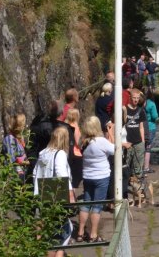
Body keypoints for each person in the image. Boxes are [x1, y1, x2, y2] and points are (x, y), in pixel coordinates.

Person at [32, 127, 75, 257]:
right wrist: (70, 195)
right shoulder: (60, 154)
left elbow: (34, 173)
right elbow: (62, 175)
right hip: (56, 197)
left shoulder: (43, 153)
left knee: (49, 234)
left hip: (42, 195)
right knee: (66, 230)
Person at [76, 116, 117, 244]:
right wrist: (111, 133)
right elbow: (115, 149)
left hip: (88, 177)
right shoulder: (101, 141)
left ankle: (80, 232)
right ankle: (93, 234)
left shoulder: (83, 142)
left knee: (86, 203)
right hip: (101, 177)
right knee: (97, 206)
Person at [124, 89, 146, 182]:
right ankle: (126, 181)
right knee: (126, 162)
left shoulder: (141, 111)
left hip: (138, 141)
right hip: (127, 141)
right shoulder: (124, 109)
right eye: (134, 98)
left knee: (138, 164)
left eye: (137, 98)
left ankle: (137, 182)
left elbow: (141, 127)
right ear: (130, 97)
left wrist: (143, 141)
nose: (136, 100)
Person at [2, 113, 28, 181]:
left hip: (22, 171)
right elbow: (11, 159)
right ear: (19, 125)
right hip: (15, 174)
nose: (25, 126)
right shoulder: (10, 139)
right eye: (23, 124)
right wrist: (26, 162)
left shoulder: (19, 138)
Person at [64, 108, 83, 194]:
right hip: (76, 154)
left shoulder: (65, 126)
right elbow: (78, 142)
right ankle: (73, 198)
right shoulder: (75, 126)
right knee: (74, 181)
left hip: (67, 153)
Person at [143, 90, 159, 174]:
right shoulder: (151, 104)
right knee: (148, 147)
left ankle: (140, 166)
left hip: (142, 127)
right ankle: (146, 167)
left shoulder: (142, 103)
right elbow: (155, 116)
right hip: (151, 126)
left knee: (142, 146)